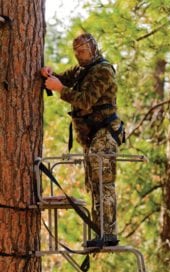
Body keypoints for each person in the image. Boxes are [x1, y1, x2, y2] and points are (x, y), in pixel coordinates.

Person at [41, 33, 125, 247]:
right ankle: (101, 233)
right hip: (91, 136)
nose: (78, 54)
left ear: (93, 48)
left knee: (103, 183)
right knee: (93, 185)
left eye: (82, 50)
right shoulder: (81, 71)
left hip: (105, 133)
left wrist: (59, 89)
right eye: (76, 51)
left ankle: (108, 235)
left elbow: (85, 101)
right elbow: (62, 79)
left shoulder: (103, 71)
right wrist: (49, 75)